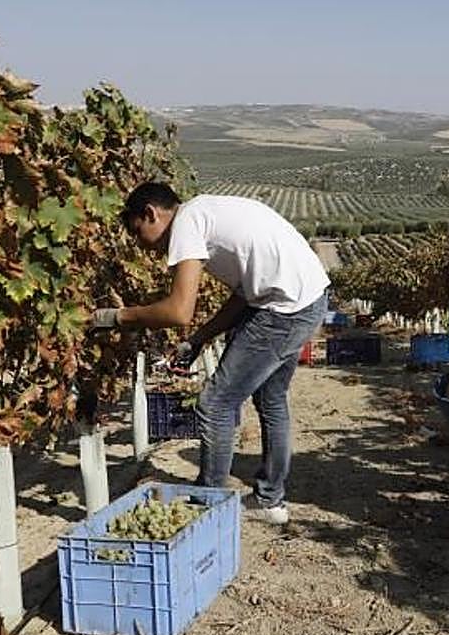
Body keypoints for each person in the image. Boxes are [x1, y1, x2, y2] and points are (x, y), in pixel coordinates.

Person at [92, 183, 329, 524]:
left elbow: (178, 311)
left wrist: (117, 317)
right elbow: (244, 294)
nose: (141, 245)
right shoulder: (207, 213)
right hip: (305, 297)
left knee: (215, 404)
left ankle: (209, 505)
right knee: (271, 399)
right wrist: (200, 339)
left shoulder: (187, 223)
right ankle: (270, 501)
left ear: (151, 214)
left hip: (284, 309)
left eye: (137, 231)